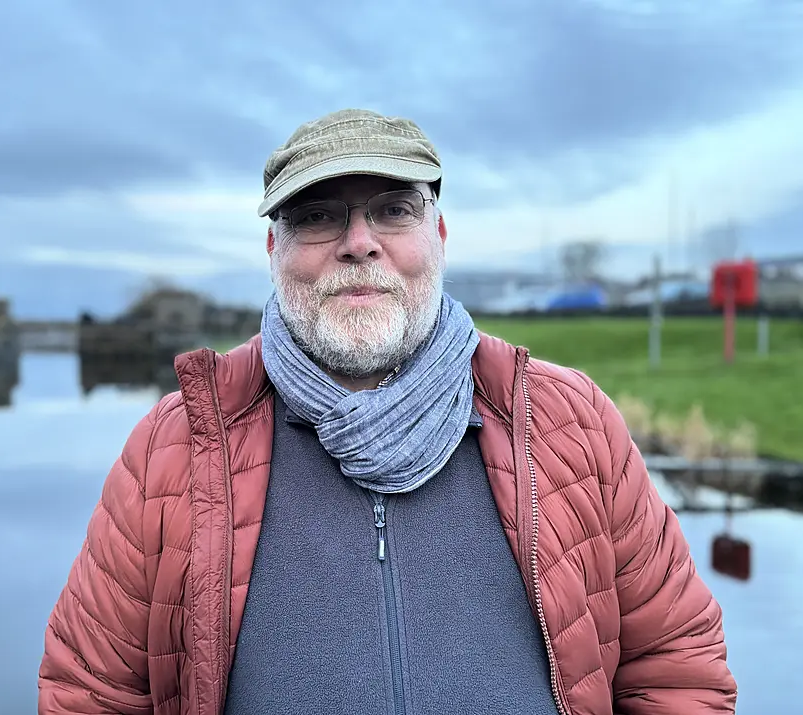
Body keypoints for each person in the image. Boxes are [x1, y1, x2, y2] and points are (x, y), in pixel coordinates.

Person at [38, 108, 737, 715]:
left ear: (439, 235)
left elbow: (677, 662)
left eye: (393, 209)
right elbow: (89, 691)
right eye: (315, 215)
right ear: (272, 249)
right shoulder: (174, 447)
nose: (358, 240)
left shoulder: (569, 420)